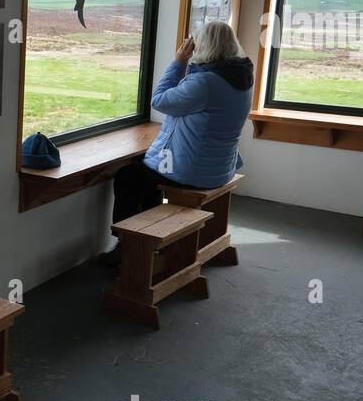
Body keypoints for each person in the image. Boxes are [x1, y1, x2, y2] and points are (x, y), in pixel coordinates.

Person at [99, 21, 253, 266]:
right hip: (220, 167)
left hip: (195, 171)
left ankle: (126, 248)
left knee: (128, 176)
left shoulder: (205, 83)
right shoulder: (242, 78)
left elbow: (159, 101)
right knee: (146, 174)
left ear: (202, 46)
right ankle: (147, 242)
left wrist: (180, 62)